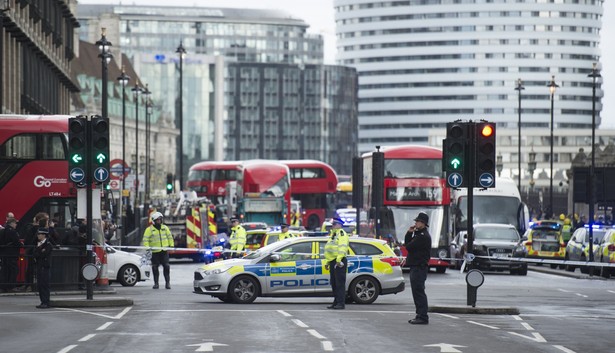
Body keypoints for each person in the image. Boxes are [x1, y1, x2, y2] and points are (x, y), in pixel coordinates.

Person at [404, 212, 432, 325]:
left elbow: (408, 246)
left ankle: (422, 316)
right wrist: (410, 233)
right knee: (417, 292)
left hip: (419, 267)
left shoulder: (422, 236)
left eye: (418, 221)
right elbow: (409, 245)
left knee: (419, 292)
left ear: (423, 223)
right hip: (416, 267)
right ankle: (420, 315)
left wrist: (409, 233)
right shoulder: (419, 234)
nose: (415, 223)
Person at [142, 212, 174, 289]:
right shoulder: (149, 230)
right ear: (154, 221)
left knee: (166, 266)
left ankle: (167, 283)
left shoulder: (165, 228)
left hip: (164, 251)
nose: (159, 221)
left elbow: (170, 237)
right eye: (157, 220)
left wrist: (171, 246)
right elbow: (145, 240)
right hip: (155, 252)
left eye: (160, 220)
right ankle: (156, 283)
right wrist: (148, 248)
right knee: (155, 268)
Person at [324, 218, 349, 310]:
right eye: (332, 224)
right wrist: (327, 262)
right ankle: (336, 302)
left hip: (339, 261)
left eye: (334, 224)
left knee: (339, 283)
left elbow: (342, 248)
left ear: (339, 224)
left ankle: (341, 303)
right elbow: (330, 249)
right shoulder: (333, 234)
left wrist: (338, 260)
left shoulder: (342, 234)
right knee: (334, 283)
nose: (332, 226)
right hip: (332, 261)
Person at [0, 217, 22, 292]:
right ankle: (11, 286)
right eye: (15, 223)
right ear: (12, 223)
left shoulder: (3, 231)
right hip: (12, 254)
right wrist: (21, 244)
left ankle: (3, 287)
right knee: (14, 270)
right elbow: (16, 242)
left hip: (4, 254)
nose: (16, 225)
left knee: (5, 270)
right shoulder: (12, 231)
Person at [33, 228, 53, 309]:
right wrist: (39, 251)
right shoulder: (38, 244)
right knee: (40, 285)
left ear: (44, 235)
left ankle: (46, 301)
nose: (38, 235)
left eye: (40, 234)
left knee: (45, 284)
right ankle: (42, 301)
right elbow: (35, 254)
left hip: (45, 266)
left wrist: (39, 251)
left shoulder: (48, 245)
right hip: (39, 266)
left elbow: (42, 255)